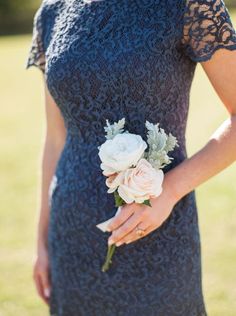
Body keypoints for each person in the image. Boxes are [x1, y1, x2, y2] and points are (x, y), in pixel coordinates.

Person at [26, 0, 236, 315]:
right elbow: (56, 137)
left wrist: (171, 190)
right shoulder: (52, 12)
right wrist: (42, 241)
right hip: (71, 237)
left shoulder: (190, 5)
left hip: (155, 231)